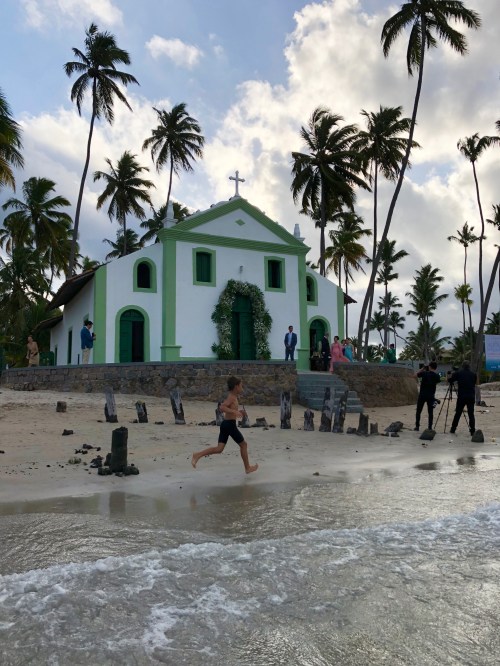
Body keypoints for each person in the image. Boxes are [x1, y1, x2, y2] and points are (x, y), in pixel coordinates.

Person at [191, 376, 258, 474]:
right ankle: (247, 468)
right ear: (236, 386)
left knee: (219, 449)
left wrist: (239, 412)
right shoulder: (231, 397)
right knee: (244, 445)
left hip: (226, 424)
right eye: (241, 386)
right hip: (230, 425)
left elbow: (230, 410)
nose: (242, 388)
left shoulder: (233, 397)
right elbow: (222, 407)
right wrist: (235, 412)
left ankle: (197, 455)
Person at [449, 361, 477, 435]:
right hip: (471, 396)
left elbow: (450, 380)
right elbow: (474, 383)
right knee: (471, 414)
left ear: (462, 366)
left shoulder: (458, 373)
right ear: (469, 366)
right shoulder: (473, 374)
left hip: (462, 396)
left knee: (458, 413)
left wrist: (450, 375)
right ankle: (472, 431)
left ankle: (453, 429)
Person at [414, 361, 441, 431]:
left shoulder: (424, 373)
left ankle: (417, 426)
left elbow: (415, 375)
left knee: (418, 411)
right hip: (431, 395)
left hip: (422, 395)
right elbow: (437, 382)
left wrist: (422, 369)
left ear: (429, 366)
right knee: (430, 412)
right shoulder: (437, 376)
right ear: (435, 368)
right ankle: (430, 427)